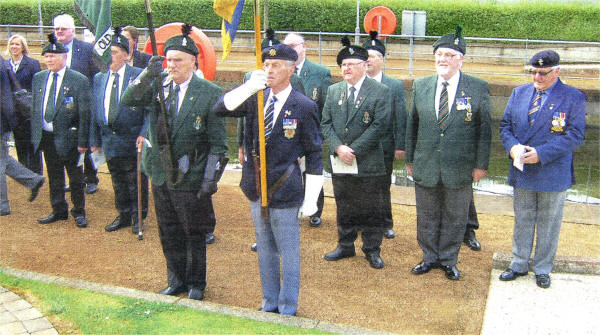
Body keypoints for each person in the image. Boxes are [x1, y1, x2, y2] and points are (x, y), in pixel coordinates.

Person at [213, 43, 323, 315]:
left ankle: (287, 306)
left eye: (276, 66)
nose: (269, 70)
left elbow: (315, 154)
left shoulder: (304, 105)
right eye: (266, 65)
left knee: (288, 252)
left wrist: (311, 199)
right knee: (264, 250)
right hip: (255, 187)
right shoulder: (255, 98)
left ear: (291, 69)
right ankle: (269, 301)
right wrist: (249, 87)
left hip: (284, 188)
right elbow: (219, 109)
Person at [121, 24, 228, 300]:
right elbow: (128, 99)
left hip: (190, 175)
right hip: (161, 173)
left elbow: (218, 144)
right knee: (168, 230)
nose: (172, 65)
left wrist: (209, 181)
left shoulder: (209, 92)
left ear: (194, 61)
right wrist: (148, 73)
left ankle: (195, 283)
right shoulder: (159, 86)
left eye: (178, 60)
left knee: (193, 232)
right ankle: (176, 279)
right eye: (169, 60)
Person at [406, 27, 492, 280]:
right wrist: (410, 159)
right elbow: (413, 125)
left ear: (460, 59)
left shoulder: (477, 87)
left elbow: (484, 131)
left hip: (460, 167)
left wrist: (481, 165)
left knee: (456, 216)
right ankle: (429, 257)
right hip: (426, 163)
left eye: (449, 55)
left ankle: (448, 260)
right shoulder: (421, 85)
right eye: (439, 54)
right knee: (427, 215)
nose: (442, 59)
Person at [498, 50, 585, 289]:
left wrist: (542, 154)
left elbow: (575, 135)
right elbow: (505, 126)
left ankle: (543, 268)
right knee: (523, 218)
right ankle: (518, 263)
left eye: (543, 73)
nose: (537, 77)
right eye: (534, 72)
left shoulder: (573, 97)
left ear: (556, 71)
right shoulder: (519, 93)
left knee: (549, 221)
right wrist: (513, 147)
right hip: (522, 168)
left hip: (552, 171)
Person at [321, 37, 391, 269]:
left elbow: (380, 126)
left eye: (351, 64)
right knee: (345, 204)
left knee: (371, 207)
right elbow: (325, 124)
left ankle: (372, 249)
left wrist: (355, 150)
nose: (346, 69)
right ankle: (345, 245)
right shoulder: (333, 91)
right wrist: (339, 148)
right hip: (341, 161)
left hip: (368, 161)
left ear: (364, 66)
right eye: (343, 65)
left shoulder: (380, 91)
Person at [89, 28, 148, 234]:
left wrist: (144, 132)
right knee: (118, 180)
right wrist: (94, 139)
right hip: (109, 140)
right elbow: (95, 110)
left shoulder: (138, 76)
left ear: (125, 54)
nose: (110, 57)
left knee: (136, 181)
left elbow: (149, 109)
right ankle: (123, 214)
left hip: (132, 139)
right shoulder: (99, 78)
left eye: (113, 52)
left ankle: (139, 217)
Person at [31, 34, 90, 228]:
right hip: (48, 137)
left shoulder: (78, 80)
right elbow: (35, 108)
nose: (49, 60)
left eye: (53, 56)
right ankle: (58, 210)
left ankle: (79, 212)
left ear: (64, 57)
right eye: (46, 56)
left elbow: (84, 114)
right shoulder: (39, 78)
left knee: (75, 177)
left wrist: (83, 142)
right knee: (54, 175)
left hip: (70, 138)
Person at [283, 32, 333, 228]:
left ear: (304, 47)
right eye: (287, 45)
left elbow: (326, 106)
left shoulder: (320, 73)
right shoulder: (282, 69)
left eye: (294, 45)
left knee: (312, 171)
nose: (291, 49)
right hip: (286, 133)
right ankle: (291, 207)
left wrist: (322, 134)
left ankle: (314, 210)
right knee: (288, 172)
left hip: (311, 132)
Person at [362, 31, 406, 239]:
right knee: (360, 185)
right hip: (359, 146)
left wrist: (400, 145)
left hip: (384, 146)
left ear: (382, 59)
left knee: (382, 184)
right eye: (366, 57)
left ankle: (385, 223)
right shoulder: (356, 83)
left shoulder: (394, 85)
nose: (369, 61)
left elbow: (400, 116)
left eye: (373, 57)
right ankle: (362, 221)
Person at [53, 13, 100, 194]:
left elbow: (95, 76)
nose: (59, 32)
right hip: (63, 106)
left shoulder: (87, 49)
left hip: (84, 105)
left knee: (85, 143)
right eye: (56, 29)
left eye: (63, 29)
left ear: (72, 30)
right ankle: (75, 179)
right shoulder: (53, 49)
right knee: (67, 144)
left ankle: (92, 177)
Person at [0, 56, 45, 216]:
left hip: (2, 119)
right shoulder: (2, 61)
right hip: (5, 119)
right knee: (3, 157)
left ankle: (2, 206)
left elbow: (4, 96)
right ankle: (33, 180)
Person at [5, 34, 43, 174]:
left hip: (29, 110)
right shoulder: (5, 64)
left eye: (17, 44)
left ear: (23, 47)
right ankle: (24, 172)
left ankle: (36, 172)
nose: (14, 47)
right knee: (19, 142)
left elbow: (38, 85)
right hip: (14, 112)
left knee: (33, 143)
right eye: (12, 44)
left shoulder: (32, 63)